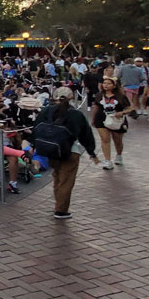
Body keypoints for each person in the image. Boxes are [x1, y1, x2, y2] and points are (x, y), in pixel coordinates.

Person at [34, 87, 98, 219]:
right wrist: (92, 152)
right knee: (66, 181)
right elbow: (86, 135)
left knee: (57, 177)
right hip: (70, 151)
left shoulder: (46, 110)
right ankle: (61, 210)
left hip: (51, 150)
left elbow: (37, 128)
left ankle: (58, 204)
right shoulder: (76, 114)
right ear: (70, 97)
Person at [93, 77, 132, 169]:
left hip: (116, 120)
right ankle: (107, 160)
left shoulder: (121, 96)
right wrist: (93, 119)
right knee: (105, 139)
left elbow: (129, 108)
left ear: (114, 86)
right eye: (104, 83)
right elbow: (96, 106)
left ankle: (119, 155)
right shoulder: (99, 95)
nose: (106, 85)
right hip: (101, 119)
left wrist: (122, 113)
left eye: (108, 83)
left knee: (117, 140)